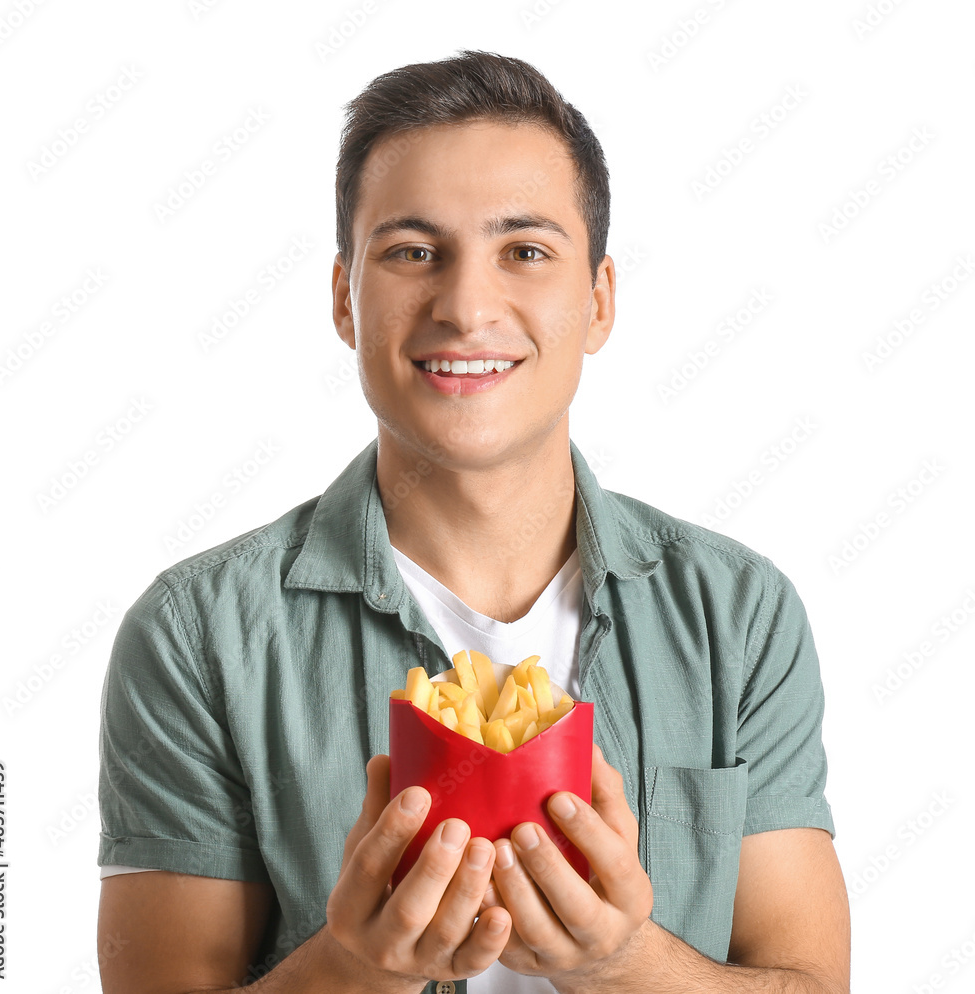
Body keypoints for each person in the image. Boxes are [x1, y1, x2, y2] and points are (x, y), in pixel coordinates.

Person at [96, 50, 850, 994]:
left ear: (599, 300)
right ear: (344, 299)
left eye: (525, 252)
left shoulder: (740, 616)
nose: (465, 306)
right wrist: (353, 971)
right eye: (413, 252)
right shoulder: (196, 637)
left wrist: (627, 961)